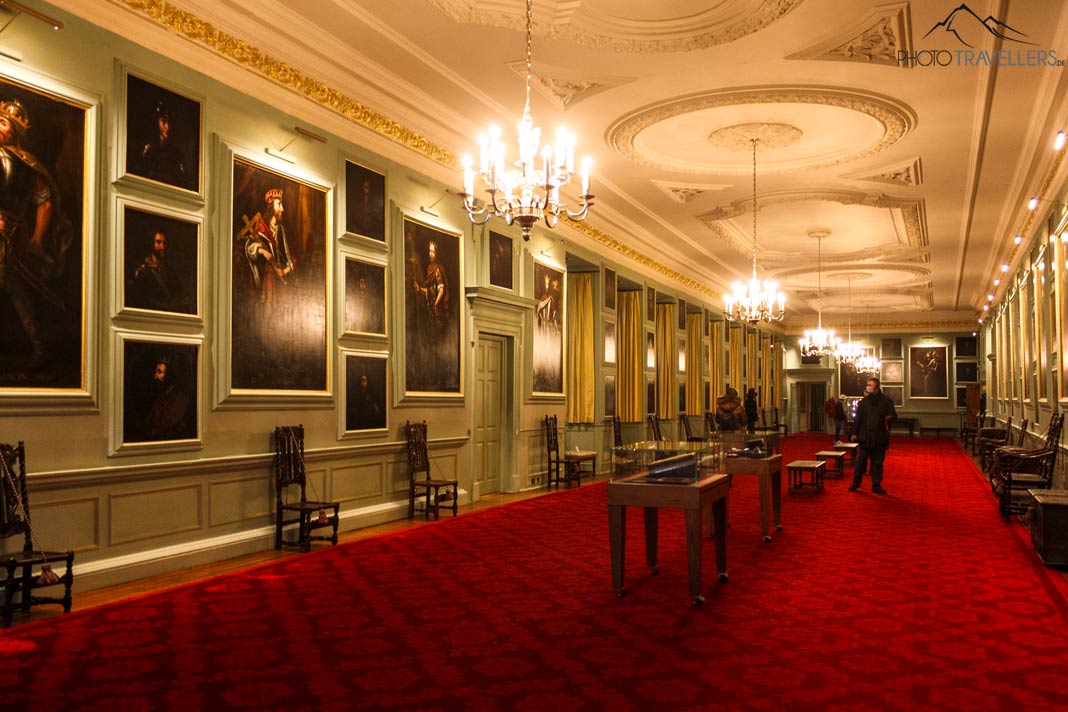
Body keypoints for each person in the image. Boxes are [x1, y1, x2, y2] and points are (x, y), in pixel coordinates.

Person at [0, 98, 73, 371]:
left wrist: (37, 239)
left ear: (15, 132)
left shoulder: (26, 163)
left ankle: (38, 346)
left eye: (4, 123)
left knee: (14, 286)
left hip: (12, 234)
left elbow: (44, 200)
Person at [849, 377, 897, 494]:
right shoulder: (864, 402)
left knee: (877, 463)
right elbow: (858, 419)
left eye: (870, 385)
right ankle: (856, 483)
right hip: (865, 437)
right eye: (867, 385)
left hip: (879, 437)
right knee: (860, 462)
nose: (868, 387)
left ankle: (876, 485)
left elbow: (894, 416)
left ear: (877, 387)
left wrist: (889, 417)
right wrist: (854, 432)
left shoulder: (887, 401)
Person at [129, 229, 186, 313]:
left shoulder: (169, 270)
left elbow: (179, 294)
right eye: (158, 242)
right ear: (152, 244)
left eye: (164, 243)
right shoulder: (142, 270)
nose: (162, 247)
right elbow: (142, 301)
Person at [138, 101, 188, 188]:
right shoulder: (149, 150)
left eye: (169, 123)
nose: (167, 127)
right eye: (163, 122)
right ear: (157, 123)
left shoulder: (176, 153)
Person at [142, 358, 193, 442]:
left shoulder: (180, 399)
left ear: (169, 375)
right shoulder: (162, 395)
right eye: (156, 372)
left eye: (159, 372)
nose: (155, 376)